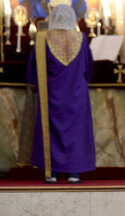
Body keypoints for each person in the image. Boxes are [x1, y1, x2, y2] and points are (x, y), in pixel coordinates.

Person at [27, 4, 95, 183]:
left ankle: (53, 173)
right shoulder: (81, 38)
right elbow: (88, 68)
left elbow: (34, 70)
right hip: (77, 95)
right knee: (76, 133)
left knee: (52, 132)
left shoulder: (42, 39)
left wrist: (34, 84)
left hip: (51, 95)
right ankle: (74, 173)